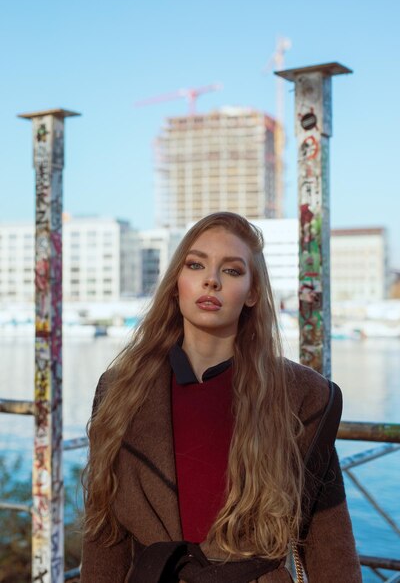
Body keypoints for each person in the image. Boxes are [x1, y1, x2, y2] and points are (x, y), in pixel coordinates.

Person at [81, 212, 362, 583]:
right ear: (177, 281)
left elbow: (330, 546)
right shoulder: (120, 390)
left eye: (231, 271)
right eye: (196, 265)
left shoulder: (301, 397)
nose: (210, 280)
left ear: (253, 293)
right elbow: (105, 539)